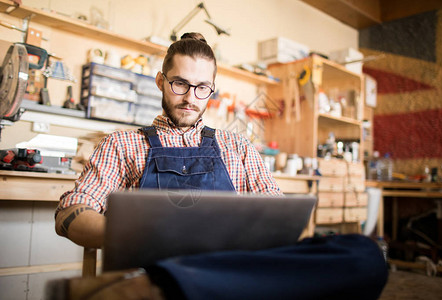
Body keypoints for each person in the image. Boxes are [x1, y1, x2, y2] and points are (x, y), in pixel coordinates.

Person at [52, 33, 388, 300]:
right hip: (159, 268)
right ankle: (153, 289)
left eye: (202, 88)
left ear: (212, 90)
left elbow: (277, 212)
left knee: (364, 253)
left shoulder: (236, 145)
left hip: (234, 269)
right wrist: (141, 237)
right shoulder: (123, 144)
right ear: (160, 81)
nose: (190, 97)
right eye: (180, 84)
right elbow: (70, 213)